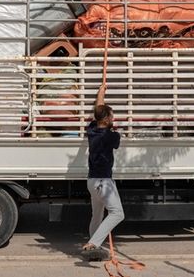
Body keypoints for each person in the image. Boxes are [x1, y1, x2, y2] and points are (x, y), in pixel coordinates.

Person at [81, 84, 124, 260]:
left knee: (97, 217)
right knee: (117, 213)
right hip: (103, 182)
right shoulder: (112, 136)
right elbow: (113, 138)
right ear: (106, 119)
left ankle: (93, 250)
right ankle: (94, 244)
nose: (114, 118)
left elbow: (98, 111)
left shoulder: (91, 130)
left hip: (92, 181)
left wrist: (101, 92)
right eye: (112, 115)